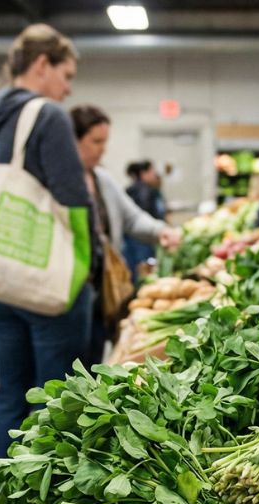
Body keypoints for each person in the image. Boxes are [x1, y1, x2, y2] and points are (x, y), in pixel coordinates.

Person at [0, 24, 95, 504]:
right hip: (47, 286)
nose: (67, 89)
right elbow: (74, 199)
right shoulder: (47, 116)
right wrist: (83, 271)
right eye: (65, 75)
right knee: (57, 402)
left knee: (10, 394)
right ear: (41, 64)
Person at [70, 106, 181, 365]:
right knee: (65, 367)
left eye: (105, 141)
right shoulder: (59, 180)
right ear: (74, 140)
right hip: (69, 294)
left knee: (94, 361)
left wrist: (160, 231)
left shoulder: (102, 180)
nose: (102, 149)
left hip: (101, 289)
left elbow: (131, 217)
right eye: (96, 141)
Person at [123, 160, 166, 278]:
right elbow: (144, 213)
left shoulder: (132, 189)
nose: (154, 174)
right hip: (141, 239)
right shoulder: (143, 191)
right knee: (141, 270)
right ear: (143, 173)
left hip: (134, 239)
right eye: (152, 171)